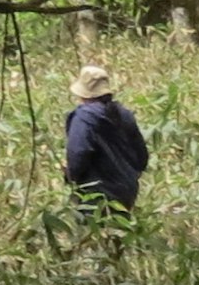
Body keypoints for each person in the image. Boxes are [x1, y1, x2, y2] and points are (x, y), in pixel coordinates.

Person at [63, 63, 148, 212]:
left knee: (95, 231)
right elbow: (141, 157)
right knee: (120, 230)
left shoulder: (84, 117)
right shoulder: (124, 114)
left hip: (96, 193)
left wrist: (70, 174)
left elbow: (78, 151)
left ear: (83, 94)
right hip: (126, 191)